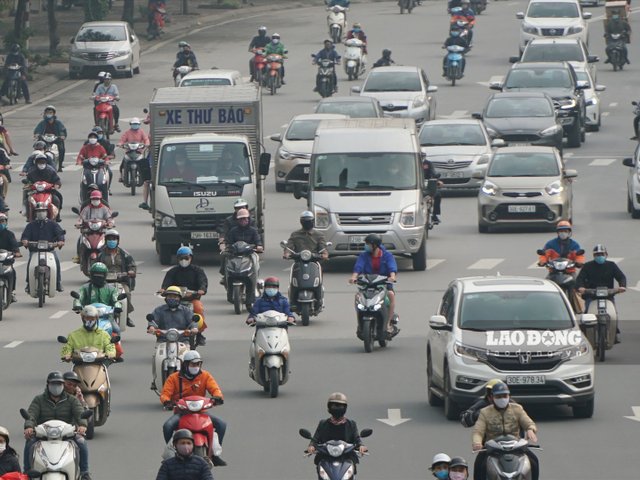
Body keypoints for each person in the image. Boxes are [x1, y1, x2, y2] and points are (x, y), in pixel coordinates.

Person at [160, 350, 228, 466]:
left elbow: (215, 389)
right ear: (185, 364)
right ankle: (173, 453)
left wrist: (218, 397)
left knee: (222, 424)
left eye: (198, 364)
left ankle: (215, 455)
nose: (195, 367)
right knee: (167, 426)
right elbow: (165, 394)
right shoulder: (174, 378)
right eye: (193, 364)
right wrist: (167, 401)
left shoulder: (205, 376)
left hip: (201, 412)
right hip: (182, 412)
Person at [23, 371, 91, 480]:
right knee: (30, 442)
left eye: (59, 384)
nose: (56, 386)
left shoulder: (72, 400)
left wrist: (82, 425)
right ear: (48, 384)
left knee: (81, 442)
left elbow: (80, 414)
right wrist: (29, 427)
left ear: (63, 385)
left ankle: (84, 473)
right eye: (53, 384)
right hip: (43, 433)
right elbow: (31, 415)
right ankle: (26, 472)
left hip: (67, 433)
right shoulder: (39, 400)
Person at [472, 382, 539, 480]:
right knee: (479, 465)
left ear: (509, 396)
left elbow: (529, 423)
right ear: (492, 397)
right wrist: (477, 443)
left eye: (505, 396)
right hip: (493, 448)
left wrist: (530, 430)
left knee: (534, 461)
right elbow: (478, 431)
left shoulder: (517, 409)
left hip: (516, 446)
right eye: (498, 396)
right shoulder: (484, 412)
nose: (502, 399)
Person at [349, 234, 399, 336]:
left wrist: (392, 276)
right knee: (358, 297)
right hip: (367, 283)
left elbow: (392, 267)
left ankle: (388, 323)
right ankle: (360, 323)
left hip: (383, 283)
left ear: (375, 245)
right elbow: (358, 267)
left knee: (391, 295)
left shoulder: (387, 255)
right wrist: (354, 277)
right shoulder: (364, 255)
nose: (366, 246)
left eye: (368, 244)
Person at [305, 392, 368, 472]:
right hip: (326, 457)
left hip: (346, 457)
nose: (337, 408)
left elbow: (357, 438)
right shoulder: (323, 423)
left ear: (345, 408)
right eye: (334, 406)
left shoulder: (351, 424)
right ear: (329, 407)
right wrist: (311, 446)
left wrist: (361, 446)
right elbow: (315, 439)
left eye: (340, 406)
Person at [576, 244, 626, 343]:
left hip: (608, 296)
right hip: (591, 296)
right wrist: (581, 287)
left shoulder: (611, 265)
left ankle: (615, 333)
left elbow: (621, 277)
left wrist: (622, 286)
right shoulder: (587, 266)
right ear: (594, 256)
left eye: (602, 254)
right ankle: (584, 334)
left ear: (606, 255)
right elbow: (580, 279)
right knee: (587, 314)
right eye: (597, 254)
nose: (600, 256)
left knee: (614, 314)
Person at [160, 246, 208, 346]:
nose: (183, 260)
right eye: (181, 258)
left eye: (186, 258)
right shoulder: (173, 271)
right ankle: (162, 334)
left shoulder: (197, 270)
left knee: (199, 309)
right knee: (164, 311)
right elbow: (166, 283)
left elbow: (203, 282)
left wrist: (201, 289)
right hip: (175, 300)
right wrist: (163, 289)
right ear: (178, 259)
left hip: (192, 299)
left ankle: (199, 334)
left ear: (191, 258)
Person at [284, 211, 328, 307]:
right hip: (298, 262)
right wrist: (287, 254)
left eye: (309, 221)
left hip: (314, 262)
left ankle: (319, 299)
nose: (307, 223)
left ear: (313, 221)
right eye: (305, 221)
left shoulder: (319, 235)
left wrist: (324, 254)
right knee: (294, 281)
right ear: (301, 222)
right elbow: (289, 247)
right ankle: (292, 299)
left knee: (318, 280)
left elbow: (323, 249)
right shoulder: (295, 234)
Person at [96, 229, 137, 327]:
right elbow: (94, 266)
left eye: (114, 239)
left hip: (121, 281)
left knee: (127, 293)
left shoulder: (125, 254)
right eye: (109, 239)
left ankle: (126, 316)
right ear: (106, 240)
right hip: (104, 282)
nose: (112, 241)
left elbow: (132, 266)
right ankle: (96, 315)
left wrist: (131, 271)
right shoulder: (100, 255)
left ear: (118, 240)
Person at [20, 203, 65, 292]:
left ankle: (58, 283)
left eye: (43, 211)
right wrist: (25, 241)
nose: (41, 213)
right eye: (39, 211)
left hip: (49, 251)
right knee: (30, 264)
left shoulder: (53, 224)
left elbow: (60, 234)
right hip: (35, 251)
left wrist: (61, 241)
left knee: (56, 262)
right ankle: (29, 284)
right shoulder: (31, 225)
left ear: (47, 212)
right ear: (35, 213)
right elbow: (25, 236)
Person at [25, 153, 63, 220]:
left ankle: (57, 215)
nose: (41, 164)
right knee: (27, 200)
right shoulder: (31, 171)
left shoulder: (51, 170)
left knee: (57, 198)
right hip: (35, 191)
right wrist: (28, 185)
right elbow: (28, 180)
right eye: (40, 162)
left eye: (43, 162)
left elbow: (57, 179)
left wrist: (57, 185)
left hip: (49, 191)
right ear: (36, 163)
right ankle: (29, 215)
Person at [33, 105, 67, 171]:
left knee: (61, 149)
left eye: (50, 112)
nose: (49, 114)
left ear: (54, 114)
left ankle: (60, 165)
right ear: (45, 113)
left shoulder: (58, 123)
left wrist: (62, 135)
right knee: (37, 148)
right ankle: (35, 162)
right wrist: (37, 134)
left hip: (56, 139)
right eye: (47, 112)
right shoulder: (42, 123)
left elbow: (62, 130)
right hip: (44, 139)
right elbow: (38, 130)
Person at [117, 117, 150, 182]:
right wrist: (120, 144)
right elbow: (122, 140)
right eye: (133, 124)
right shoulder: (127, 132)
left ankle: (146, 177)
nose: (135, 125)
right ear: (130, 124)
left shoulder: (141, 132)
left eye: (136, 124)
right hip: (129, 151)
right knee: (122, 164)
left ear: (139, 124)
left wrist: (147, 144)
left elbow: (146, 139)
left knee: (145, 164)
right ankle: (121, 176)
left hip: (139, 151)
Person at [0, 213, 22, 302]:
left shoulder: (9, 234)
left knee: (12, 273)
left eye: (2, 221)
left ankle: (11, 292)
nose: (1, 223)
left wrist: (16, 252)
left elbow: (14, 245)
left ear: (6, 222)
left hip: (6, 261)